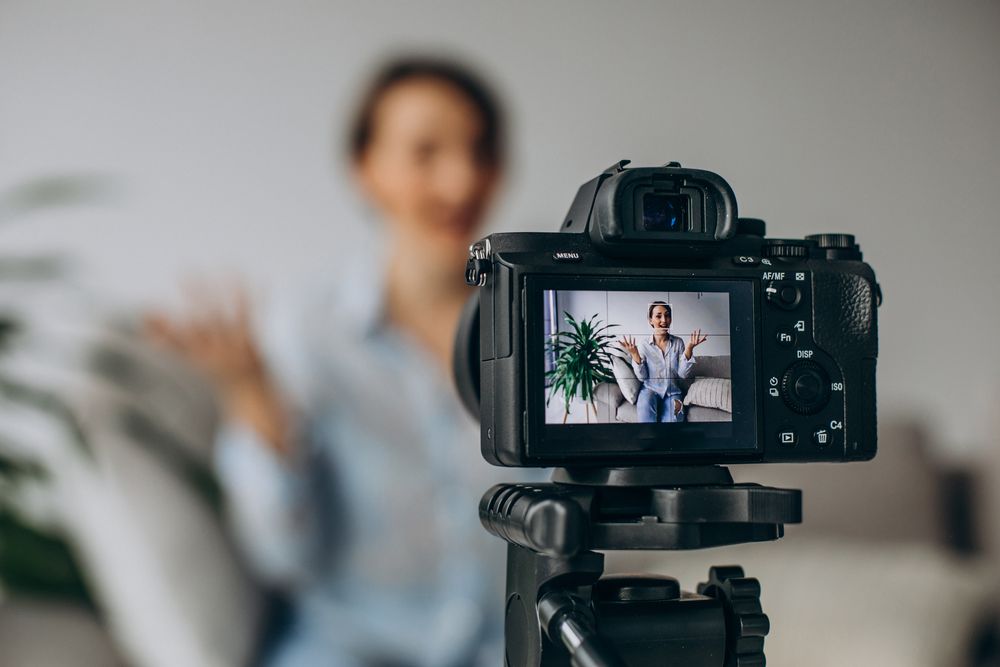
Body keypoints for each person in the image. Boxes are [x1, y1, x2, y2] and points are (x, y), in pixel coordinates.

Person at [146, 57, 510, 667]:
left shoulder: (542, 327)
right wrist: (253, 400)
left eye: (480, 150)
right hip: (350, 650)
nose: (461, 182)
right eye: (426, 153)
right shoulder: (305, 329)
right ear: (366, 169)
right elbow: (284, 557)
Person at [618, 301, 708, 423]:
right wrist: (635, 355)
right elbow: (642, 377)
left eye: (667, 315)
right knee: (645, 419)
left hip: (673, 391)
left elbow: (683, 374)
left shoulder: (678, 342)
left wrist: (689, 348)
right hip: (649, 390)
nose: (664, 320)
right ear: (650, 320)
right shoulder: (643, 345)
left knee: (675, 420)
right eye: (658, 316)